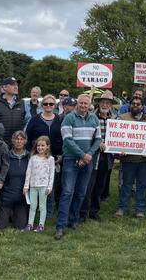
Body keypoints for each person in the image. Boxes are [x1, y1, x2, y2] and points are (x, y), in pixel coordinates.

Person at [54, 94, 101, 240]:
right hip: (70, 160)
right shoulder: (69, 118)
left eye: (86, 104)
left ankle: (73, 220)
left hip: (87, 161)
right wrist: (82, 155)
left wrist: (89, 155)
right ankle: (60, 225)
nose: (83, 106)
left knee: (81, 192)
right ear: (77, 104)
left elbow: (98, 139)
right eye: (81, 103)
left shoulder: (94, 119)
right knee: (67, 192)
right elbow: (67, 140)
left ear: (90, 105)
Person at [25, 94, 64, 219]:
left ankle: (48, 212)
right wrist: (31, 154)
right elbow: (28, 137)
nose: (48, 106)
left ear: (55, 106)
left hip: (55, 158)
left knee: (52, 185)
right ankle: (34, 209)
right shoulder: (35, 119)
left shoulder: (59, 120)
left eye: (51, 104)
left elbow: (64, 138)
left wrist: (61, 154)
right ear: (42, 105)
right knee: (37, 184)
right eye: (46, 104)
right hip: (38, 158)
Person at [81, 90, 117, 221]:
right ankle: (83, 211)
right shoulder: (91, 117)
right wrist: (99, 142)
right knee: (88, 183)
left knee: (100, 184)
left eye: (108, 103)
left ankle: (94, 211)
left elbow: (120, 136)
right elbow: (85, 134)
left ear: (111, 105)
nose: (105, 105)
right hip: (92, 154)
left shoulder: (115, 119)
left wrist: (119, 147)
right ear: (99, 103)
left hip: (107, 156)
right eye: (103, 102)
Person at [115, 96, 146, 219]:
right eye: (133, 103)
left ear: (142, 106)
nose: (135, 106)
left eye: (138, 104)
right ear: (130, 105)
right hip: (128, 159)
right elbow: (117, 137)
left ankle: (140, 210)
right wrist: (119, 149)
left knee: (142, 185)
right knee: (126, 184)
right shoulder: (123, 118)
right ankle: (122, 208)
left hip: (144, 159)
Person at [0, 131, 30, 230]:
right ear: (12, 141)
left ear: (25, 141)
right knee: (1, 225)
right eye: (16, 139)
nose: (19, 141)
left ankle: (14, 214)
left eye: (21, 139)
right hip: (6, 197)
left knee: (20, 226)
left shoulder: (29, 157)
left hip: (22, 197)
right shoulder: (6, 156)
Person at [23, 136, 55, 232]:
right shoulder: (33, 158)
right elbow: (28, 172)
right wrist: (26, 186)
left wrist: (50, 186)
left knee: (42, 206)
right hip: (33, 185)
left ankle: (41, 225)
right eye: (38, 145)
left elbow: (51, 174)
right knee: (32, 205)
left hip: (44, 186)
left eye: (43, 145)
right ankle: (30, 224)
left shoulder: (50, 159)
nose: (40, 148)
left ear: (47, 146)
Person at [0, 77, 28, 146]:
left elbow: (28, 121)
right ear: (4, 87)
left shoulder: (23, 103)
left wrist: (23, 134)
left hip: (18, 145)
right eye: (13, 85)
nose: (16, 87)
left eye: (17, 85)